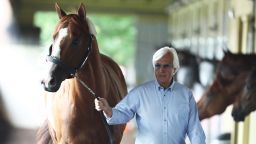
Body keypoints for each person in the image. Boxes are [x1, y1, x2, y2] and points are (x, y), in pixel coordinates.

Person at [94, 46, 206, 144]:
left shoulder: (186, 95)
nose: (161, 70)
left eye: (166, 66)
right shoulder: (140, 93)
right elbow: (122, 113)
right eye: (158, 66)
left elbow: (194, 129)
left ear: (174, 69)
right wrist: (108, 110)